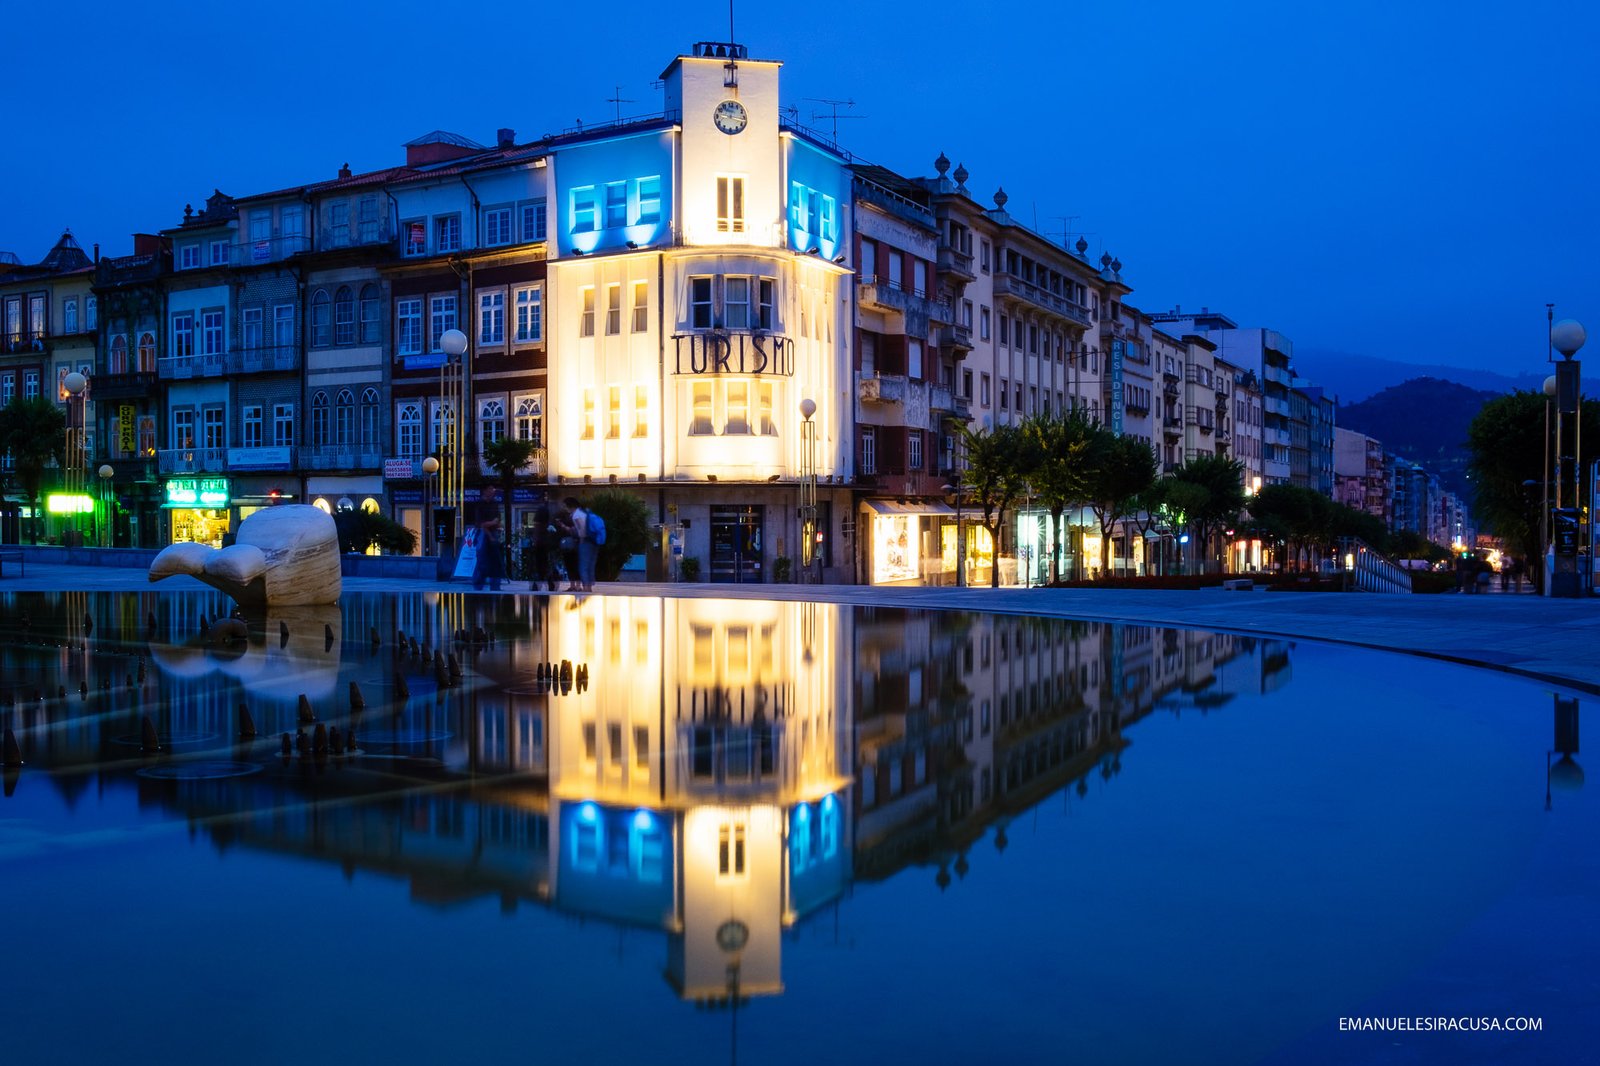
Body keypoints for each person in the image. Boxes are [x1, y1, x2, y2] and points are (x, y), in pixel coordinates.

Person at [472, 486, 504, 592]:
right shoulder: (480, 504)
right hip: (483, 533)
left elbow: (497, 519)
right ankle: (478, 585)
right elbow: (481, 524)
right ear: (485, 491)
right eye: (490, 489)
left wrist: (497, 526)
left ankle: (495, 586)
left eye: (493, 490)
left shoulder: (494, 504)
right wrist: (491, 532)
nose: (492, 492)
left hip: (492, 533)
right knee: (483, 560)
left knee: (494, 560)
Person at [564, 496, 597, 592]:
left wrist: (580, 538)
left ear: (570, 506)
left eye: (565, 506)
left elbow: (581, 529)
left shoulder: (576, 515)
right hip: (592, 540)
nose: (565, 509)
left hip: (585, 541)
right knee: (587, 565)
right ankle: (588, 587)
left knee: (583, 566)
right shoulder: (582, 513)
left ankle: (586, 588)